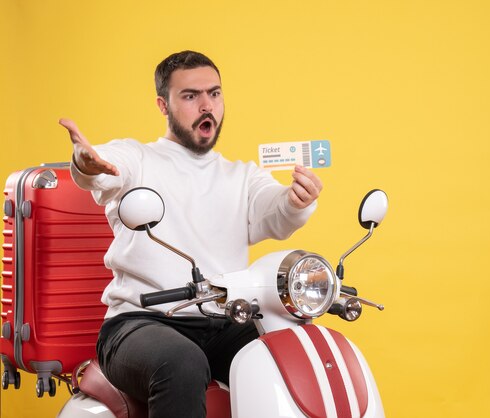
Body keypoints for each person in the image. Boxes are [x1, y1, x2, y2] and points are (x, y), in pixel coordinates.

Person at [59, 50, 322, 418]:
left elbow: (274, 210)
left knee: (292, 353)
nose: (206, 106)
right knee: (182, 362)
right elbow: (105, 168)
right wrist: (86, 163)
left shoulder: (242, 176)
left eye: (214, 94)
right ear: (163, 106)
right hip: (139, 323)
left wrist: (297, 200)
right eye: (190, 96)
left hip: (224, 322)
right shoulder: (139, 159)